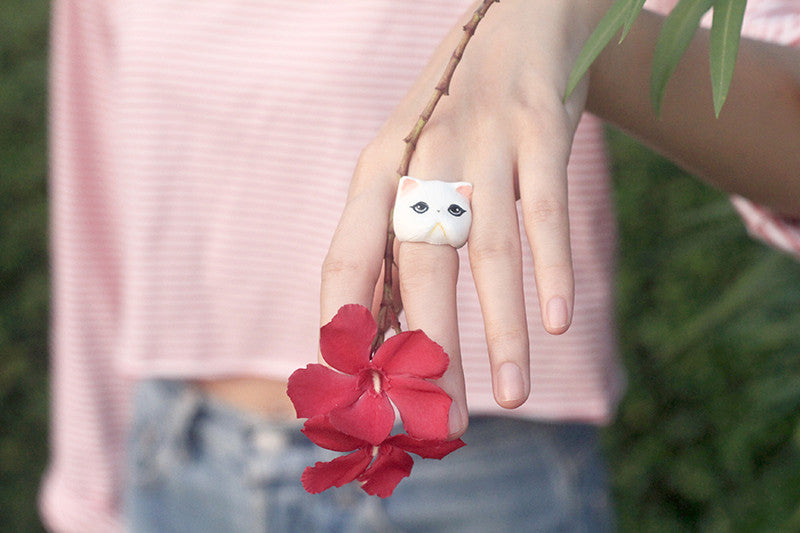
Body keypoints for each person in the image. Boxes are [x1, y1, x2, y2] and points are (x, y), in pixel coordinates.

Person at [40, 0, 800, 531]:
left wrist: (580, 21)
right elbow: (98, 206)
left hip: (483, 478)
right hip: (178, 457)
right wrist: (85, 491)